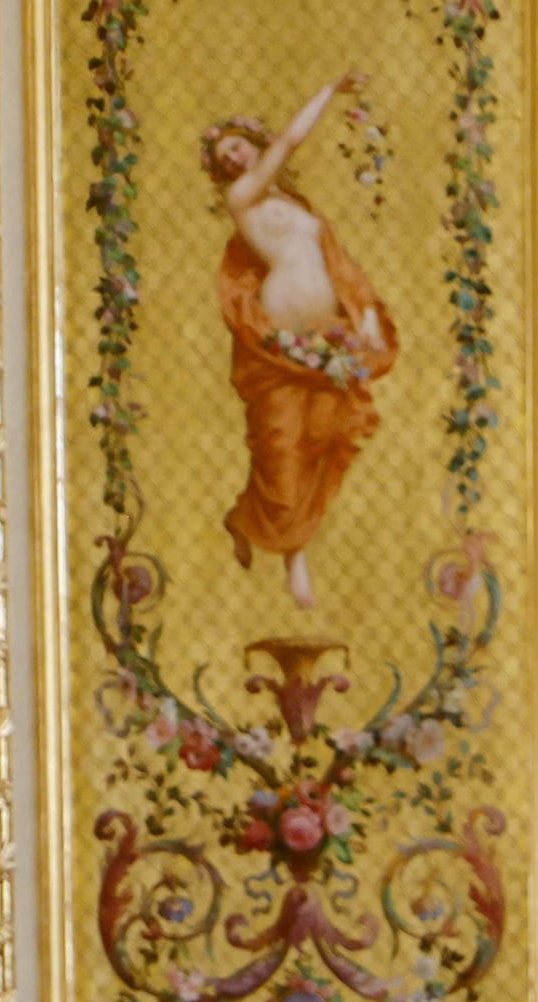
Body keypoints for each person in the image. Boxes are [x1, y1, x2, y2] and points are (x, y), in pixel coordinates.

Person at [207, 77, 396, 612]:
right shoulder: (242, 197)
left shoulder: (291, 201)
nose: (236, 156)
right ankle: (279, 545)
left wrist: (365, 319)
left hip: (328, 339)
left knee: (320, 441)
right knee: (282, 452)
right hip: (281, 349)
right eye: (225, 156)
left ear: (252, 141)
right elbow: (288, 141)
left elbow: (337, 265)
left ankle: (274, 540)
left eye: (239, 144)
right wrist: (330, 90)